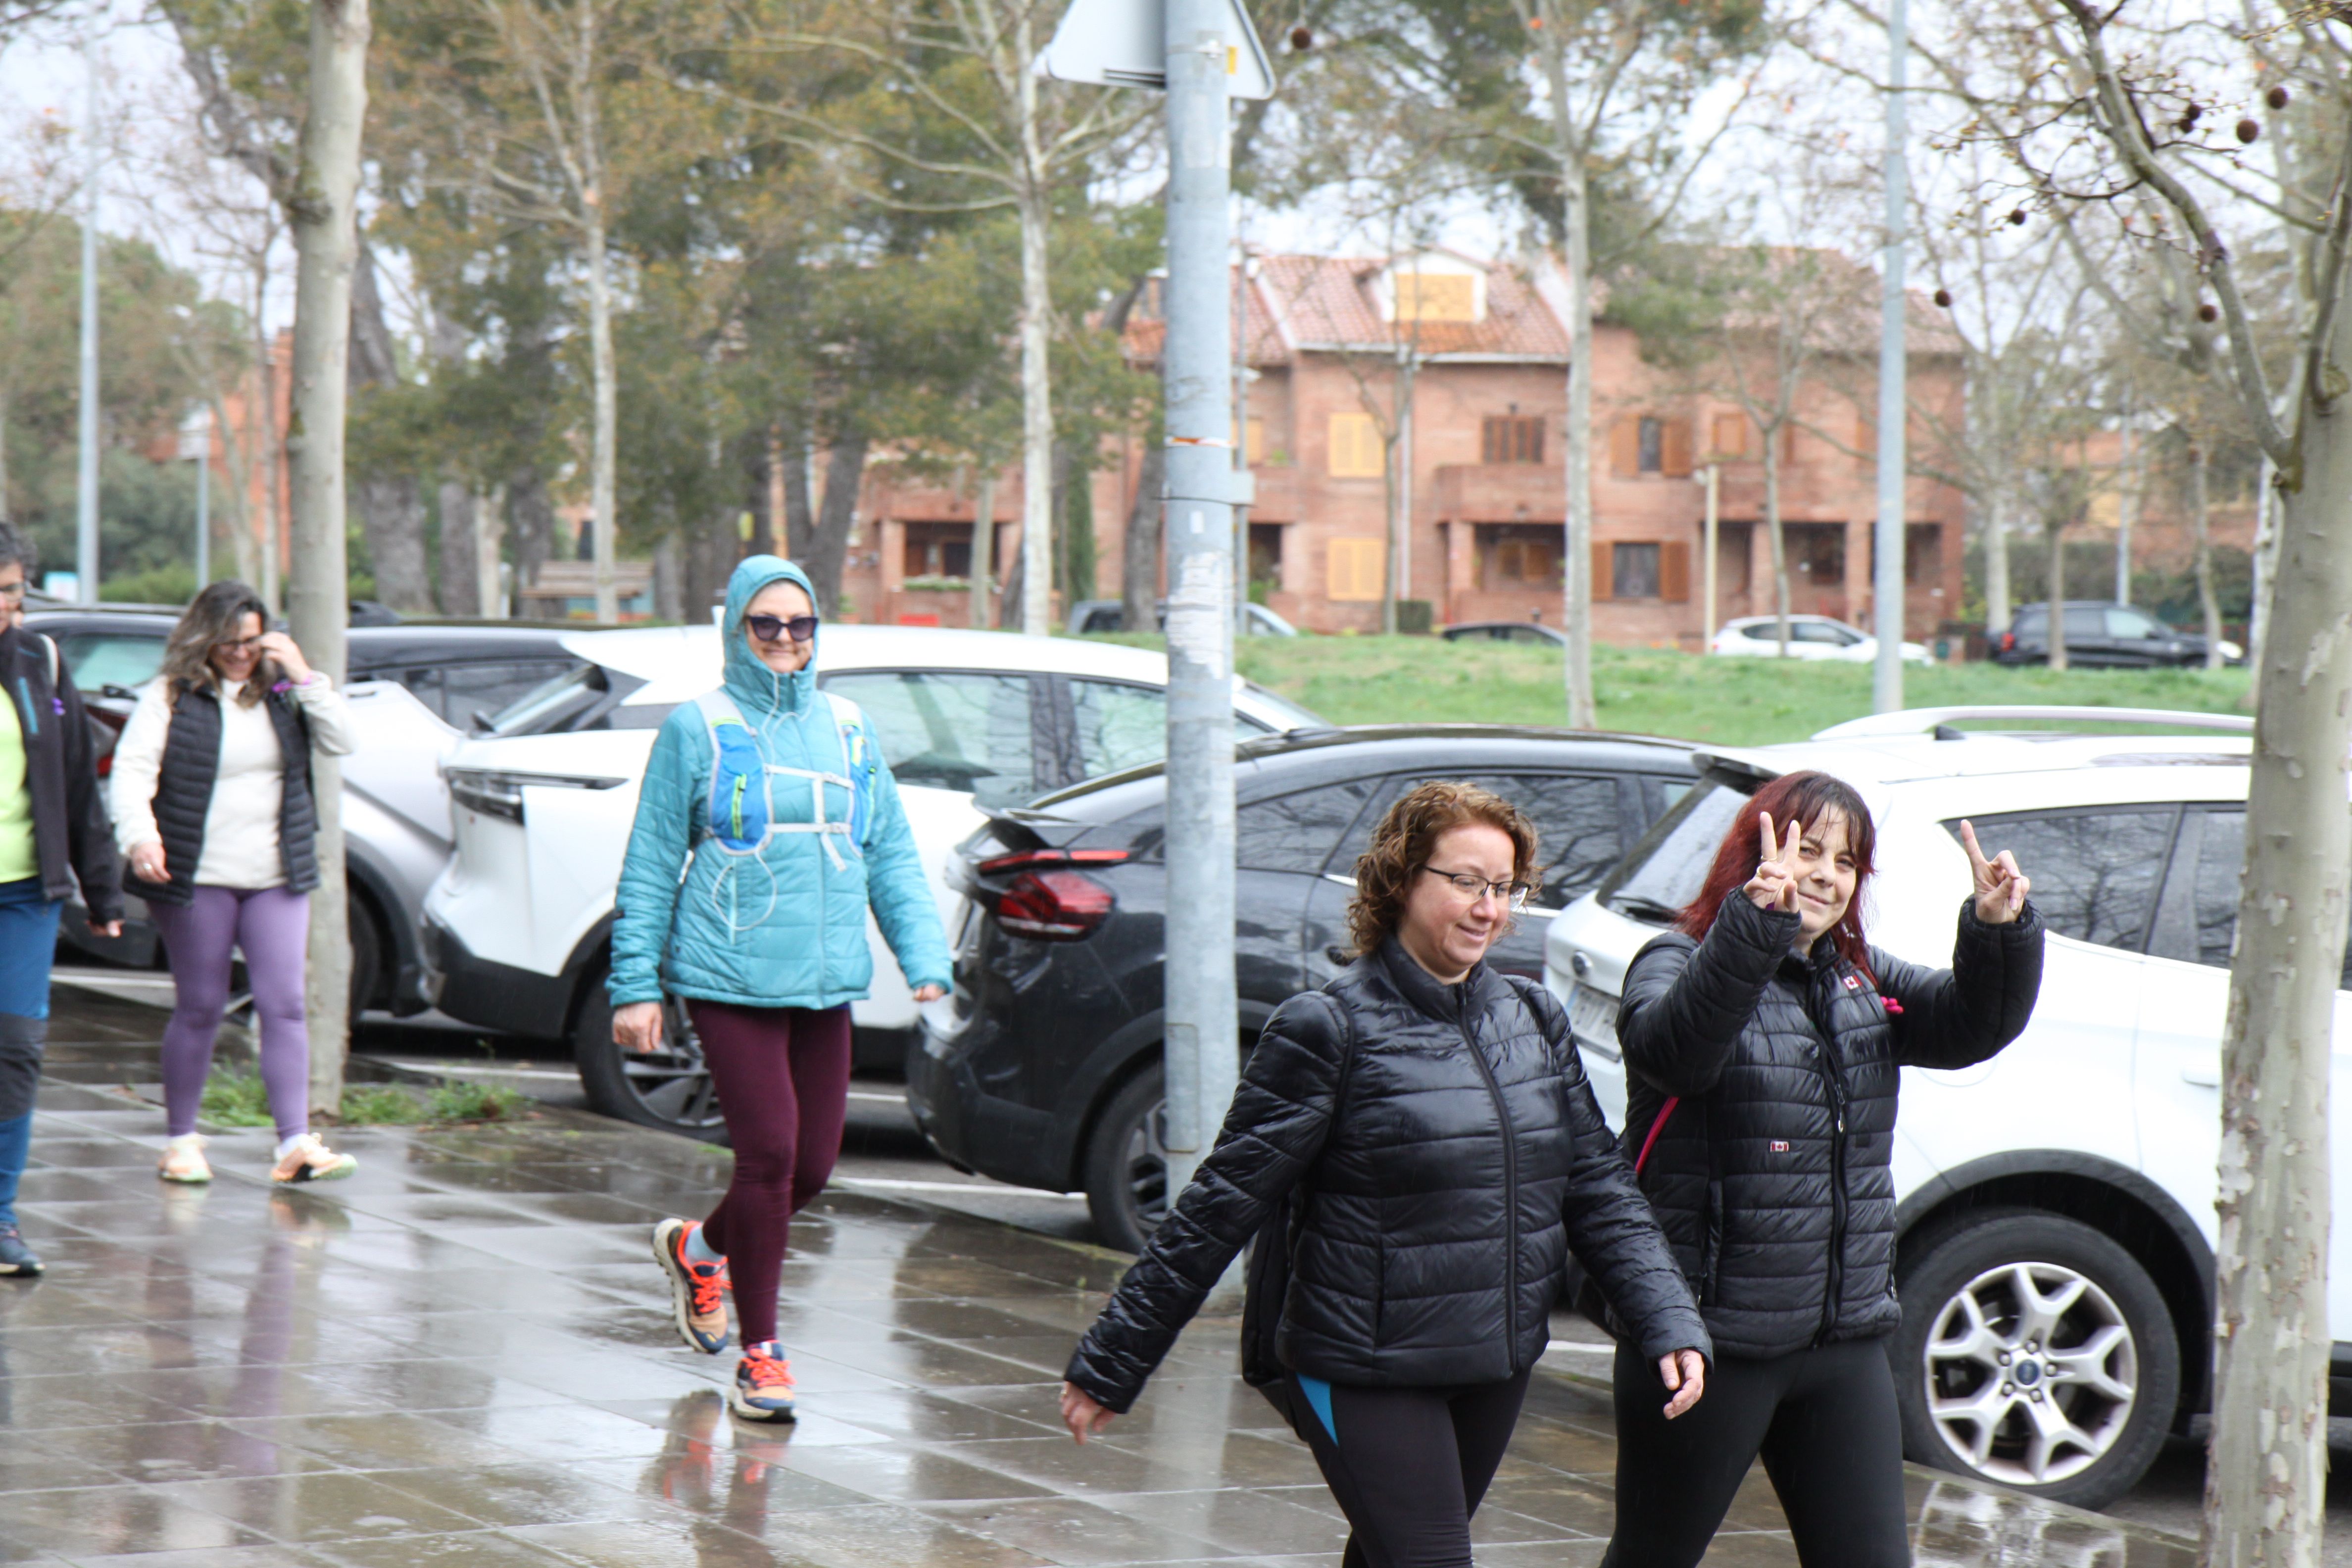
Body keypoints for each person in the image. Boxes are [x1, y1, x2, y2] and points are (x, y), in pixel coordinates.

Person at [1061, 782, 1712, 1568]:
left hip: (1494, 1360)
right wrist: (1114, 1360)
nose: (1488, 909)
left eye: (1504, 887)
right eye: (1465, 882)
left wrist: (1667, 1318)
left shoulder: (1532, 1018)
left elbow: (1598, 1186)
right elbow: (1217, 1208)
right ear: (1402, 880)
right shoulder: (1328, 1030)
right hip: (1364, 1367)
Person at [1600, 769, 2044, 1568]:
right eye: (1807, 851)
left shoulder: (1856, 976)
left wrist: (1995, 929)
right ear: (1754, 854)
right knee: (1652, 1555)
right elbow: (1676, 1055)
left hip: (1842, 1342)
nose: (1826, 876)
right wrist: (1754, 928)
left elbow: (1969, 1025)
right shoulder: (1674, 959)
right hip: (1708, 1340)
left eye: (1846, 862)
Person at [613, 556, 951, 1424]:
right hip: (727, 973)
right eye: (767, 624)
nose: (786, 639)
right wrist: (633, 985)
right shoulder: (698, 726)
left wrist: (923, 955)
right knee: (766, 1158)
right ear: (737, 629)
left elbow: (889, 850)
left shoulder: (849, 727)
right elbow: (651, 862)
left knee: (811, 1167)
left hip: (824, 978)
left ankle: (699, 1249)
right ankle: (760, 1356)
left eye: (800, 624)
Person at [111, 581, 358, 1188]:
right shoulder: (173, 694)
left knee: (285, 1005)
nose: (241, 653)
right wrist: (141, 838)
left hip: (276, 875)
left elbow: (342, 740)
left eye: (251, 641)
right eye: (228, 642)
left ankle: (295, 1142)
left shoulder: (283, 693)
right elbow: (133, 770)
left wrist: (302, 674)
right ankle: (181, 1142)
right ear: (204, 638)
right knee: (201, 1006)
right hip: (198, 876)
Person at [0, 525, 125, 1276]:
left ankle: (0, 1214)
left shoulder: (37, 662)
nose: (3, 605)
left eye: (12, 590)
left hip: (23, 894)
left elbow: (77, 782)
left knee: (16, 1048)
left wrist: (102, 889)